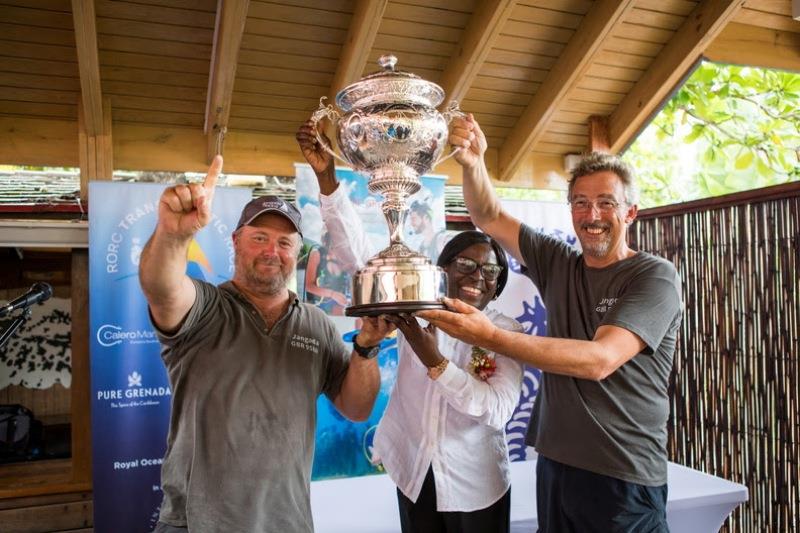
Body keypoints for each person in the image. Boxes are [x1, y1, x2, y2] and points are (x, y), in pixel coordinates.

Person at [417, 116, 683, 532]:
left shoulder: (653, 276)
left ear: (630, 212)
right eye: (580, 202)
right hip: (557, 466)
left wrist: (490, 337)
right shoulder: (559, 261)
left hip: (623, 475)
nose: (591, 215)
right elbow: (488, 215)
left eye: (606, 203)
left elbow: (599, 360)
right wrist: (473, 164)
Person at [138, 155, 394, 533]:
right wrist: (174, 236)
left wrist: (366, 346)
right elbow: (162, 288)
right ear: (236, 241)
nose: (271, 252)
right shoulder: (205, 307)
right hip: (196, 523)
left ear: (297, 252)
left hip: (286, 522)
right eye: (259, 238)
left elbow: (357, 408)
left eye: (284, 243)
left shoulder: (316, 323)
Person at [297, 121, 524, 533]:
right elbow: (359, 254)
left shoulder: (506, 333)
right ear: (442, 272)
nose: (478, 277)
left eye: (490, 271)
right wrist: (327, 180)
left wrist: (431, 356)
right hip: (414, 472)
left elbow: (496, 410)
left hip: (477, 485)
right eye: (466, 265)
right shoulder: (419, 308)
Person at [303, 231, 349, 315]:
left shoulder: (344, 258)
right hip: (317, 305)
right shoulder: (316, 254)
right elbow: (308, 286)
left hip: (338, 305)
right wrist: (332, 294)